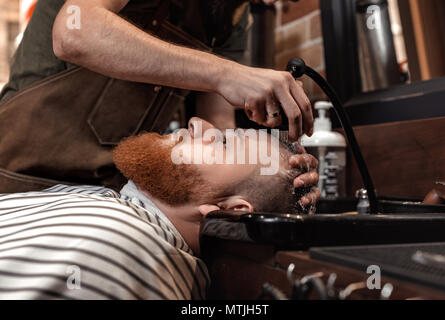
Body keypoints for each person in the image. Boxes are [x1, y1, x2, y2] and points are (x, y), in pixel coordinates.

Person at [0, 0, 315, 194]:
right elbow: (75, 34)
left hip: (108, 190)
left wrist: (282, 180)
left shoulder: (234, 16)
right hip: (19, 177)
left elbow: (214, 126)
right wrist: (224, 72)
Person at [0, 117, 319, 299]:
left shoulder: (120, 246)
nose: (197, 123)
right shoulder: (114, 209)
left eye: (222, 142)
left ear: (230, 210)